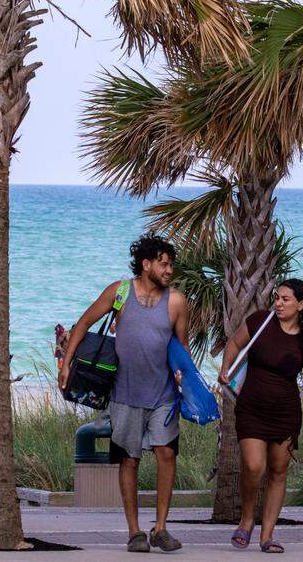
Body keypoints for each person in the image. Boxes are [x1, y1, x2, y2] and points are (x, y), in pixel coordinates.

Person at [59, 234, 189, 553]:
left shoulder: (177, 302)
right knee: (129, 460)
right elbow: (84, 322)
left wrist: (184, 378)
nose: (169, 270)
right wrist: (66, 363)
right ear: (146, 265)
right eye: (164, 264)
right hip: (124, 394)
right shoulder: (119, 292)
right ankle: (134, 532)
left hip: (163, 395)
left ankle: (160, 528)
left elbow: (181, 348)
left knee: (165, 454)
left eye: (171, 264)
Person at [217, 279, 303, 554]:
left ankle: (267, 535)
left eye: (286, 299)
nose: (279, 303)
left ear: (300, 304)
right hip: (251, 407)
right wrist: (225, 368)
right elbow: (234, 344)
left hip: (285, 414)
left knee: (278, 471)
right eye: (277, 298)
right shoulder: (260, 321)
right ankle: (247, 519)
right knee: (253, 466)